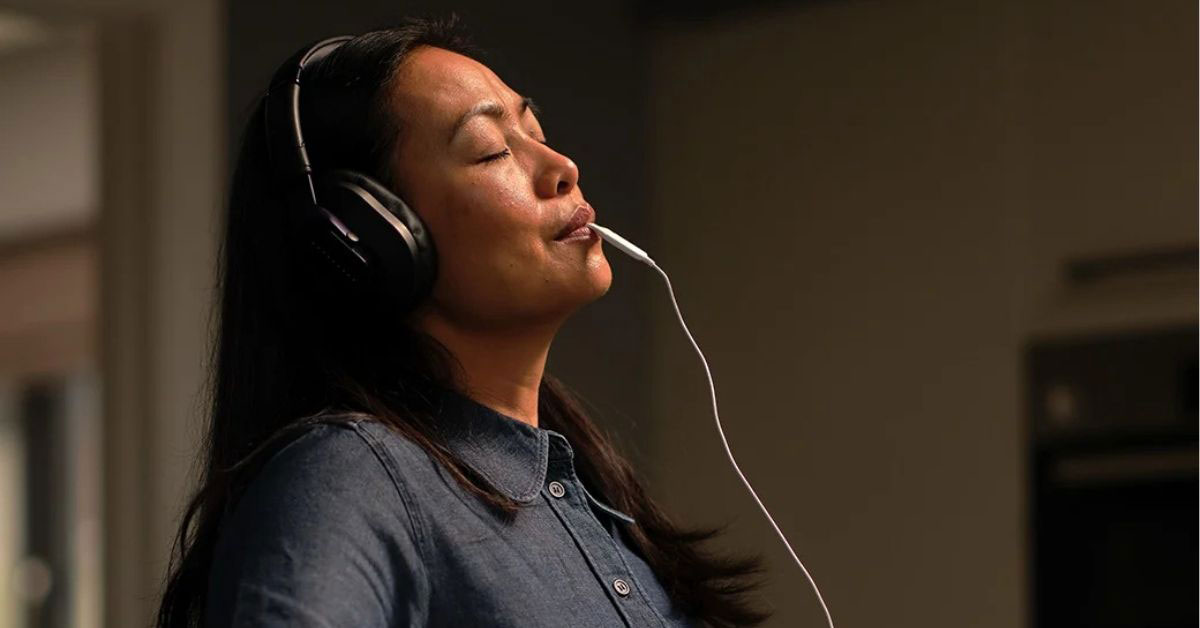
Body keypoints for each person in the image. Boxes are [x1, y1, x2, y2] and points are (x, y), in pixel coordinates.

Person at [156, 15, 772, 628]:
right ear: (373, 239)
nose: (563, 168)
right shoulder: (347, 475)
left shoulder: (596, 495)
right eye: (491, 149)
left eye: (537, 130)